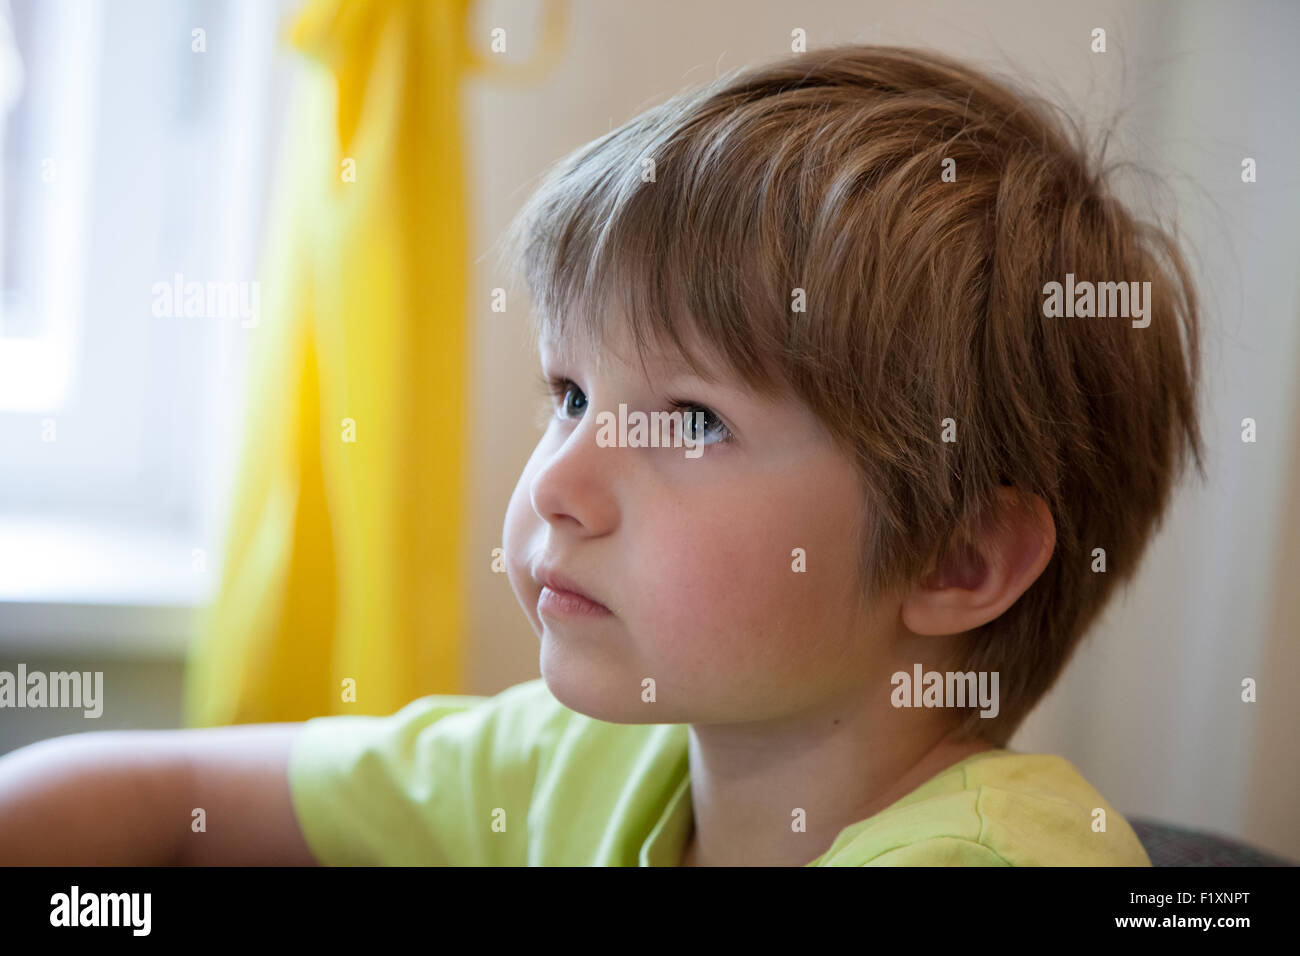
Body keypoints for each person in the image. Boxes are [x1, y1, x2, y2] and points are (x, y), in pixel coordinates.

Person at [0, 43, 1202, 866]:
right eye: (569, 392)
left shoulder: (995, 860)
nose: (557, 486)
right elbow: (148, 792)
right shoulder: (576, 759)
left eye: (688, 421)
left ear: (958, 555)